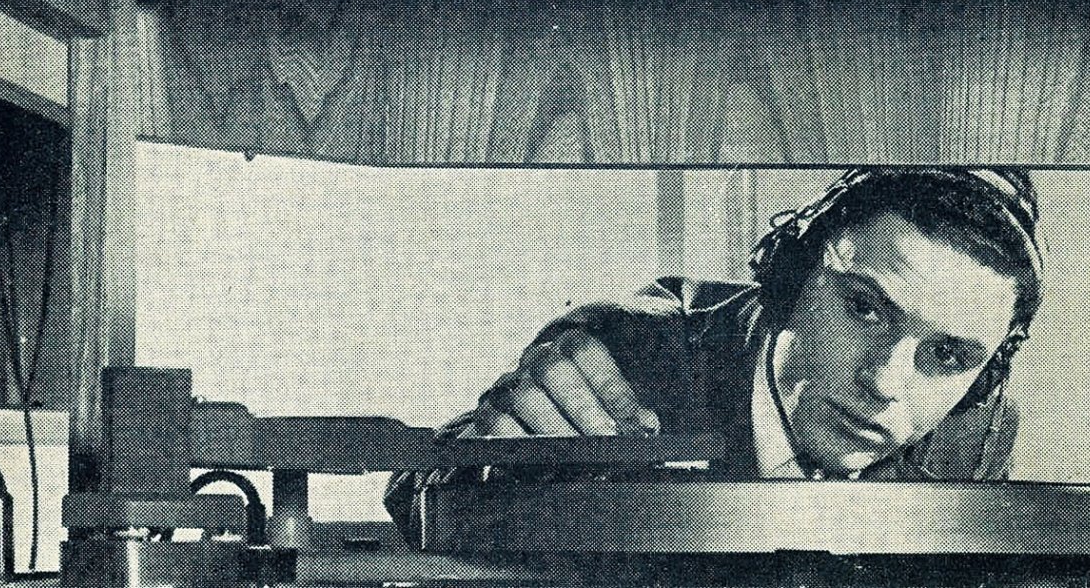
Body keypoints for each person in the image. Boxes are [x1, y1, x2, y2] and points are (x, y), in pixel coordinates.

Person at [385, 167, 1046, 521]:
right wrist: (484, 463)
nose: (884, 383)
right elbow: (415, 485)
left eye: (948, 356)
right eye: (865, 308)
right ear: (791, 276)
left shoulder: (972, 431)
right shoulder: (633, 351)